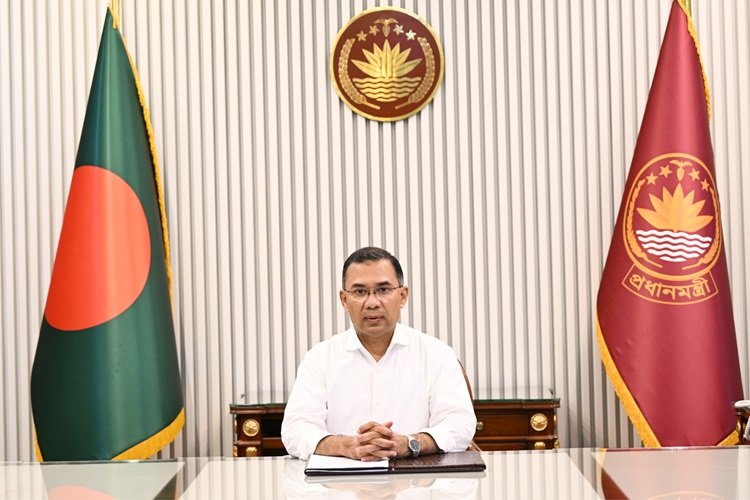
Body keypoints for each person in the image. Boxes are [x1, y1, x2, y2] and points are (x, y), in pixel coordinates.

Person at [281, 246, 477, 461]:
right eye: (359, 292)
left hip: (417, 478)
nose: (372, 303)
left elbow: (460, 424)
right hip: (341, 480)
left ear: (403, 296)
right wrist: (348, 446)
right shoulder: (319, 359)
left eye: (383, 289)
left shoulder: (436, 354)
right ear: (344, 300)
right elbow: (295, 430)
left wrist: (408, 443)